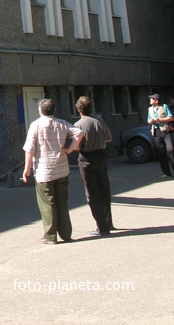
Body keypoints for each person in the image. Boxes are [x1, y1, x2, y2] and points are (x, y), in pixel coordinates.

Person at [22, 98, 84, 244]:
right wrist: (70, 148)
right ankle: (66, 234)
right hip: (62, 169)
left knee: (47, 203)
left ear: (40, 110)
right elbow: (79, 133)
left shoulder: (35, 125)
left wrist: (26, 168)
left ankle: (50, 236)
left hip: (44, 171)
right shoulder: (62, 123)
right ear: (53, 110)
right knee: (62, 202)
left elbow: (30, 149)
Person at [74, 96, 114, 237]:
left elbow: (76, 146)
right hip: (101, 156)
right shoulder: (100, 121)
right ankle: (108, 222)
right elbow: (109, 138)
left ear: (78, 109)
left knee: (92, 193)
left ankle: (102, 227)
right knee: (104, 188)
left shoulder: (78, 125)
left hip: (86, 158)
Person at [147, 93, 174, 178]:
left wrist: (160, 120)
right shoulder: (150, 109)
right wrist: (151, 121)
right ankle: (166, 173)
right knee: (161, 153)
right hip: (156, 132)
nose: (150, 100)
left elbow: (171, 118)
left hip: (166, 131)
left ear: (156, 100)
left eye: (151, 99)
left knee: (170, 149)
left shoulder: (164, 107)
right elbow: (148, 121)